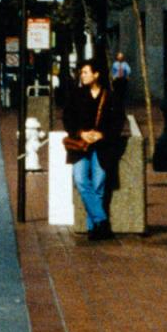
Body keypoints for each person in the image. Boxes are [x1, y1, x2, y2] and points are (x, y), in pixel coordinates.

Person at [62, 60, 125, 240]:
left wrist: (102, 135)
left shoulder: (110, 96)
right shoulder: (76, 95)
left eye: (86, 72)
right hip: (80, 147)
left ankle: (94, 228)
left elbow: (118, 122)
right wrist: (81, 133)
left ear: (96, 74)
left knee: (98, 185)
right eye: (81, 73)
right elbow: (67, 119)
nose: (83, 75)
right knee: (81, 179)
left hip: (102, 147)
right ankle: (102, 220)